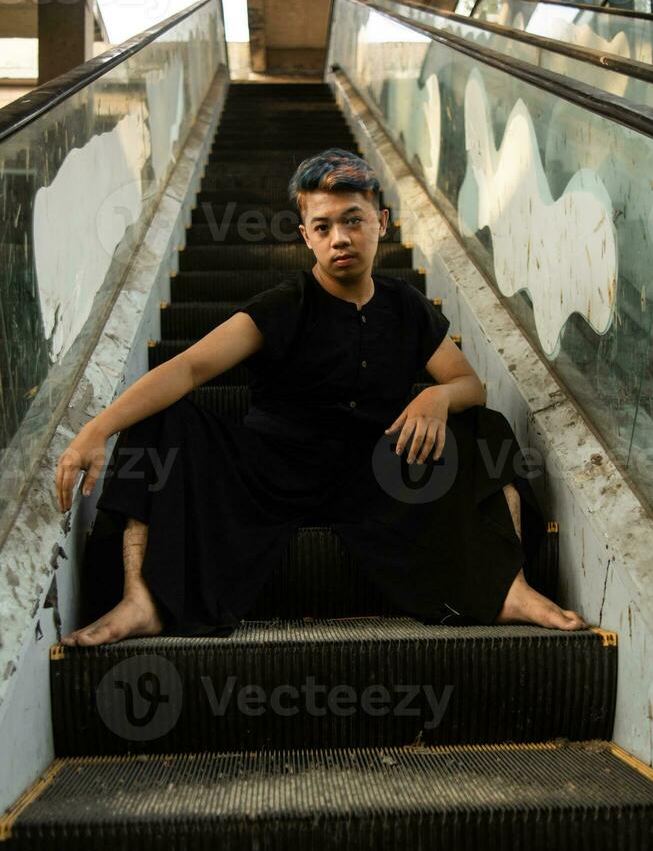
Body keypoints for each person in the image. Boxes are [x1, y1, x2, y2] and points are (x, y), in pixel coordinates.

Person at [55, 148, 588, 646]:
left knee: (485, 427)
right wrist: (95, 431)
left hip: (378, 477)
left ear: (381, 223)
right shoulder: (285, 304)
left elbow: (470, 383)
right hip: (269, 474)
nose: (340, 238)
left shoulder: (407, 306)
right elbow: (189, 367)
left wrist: (438, 398)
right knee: (161, 420)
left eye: (353, 220)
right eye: (324, 226)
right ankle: (142, 598)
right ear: (305, 235)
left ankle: (508, 587)